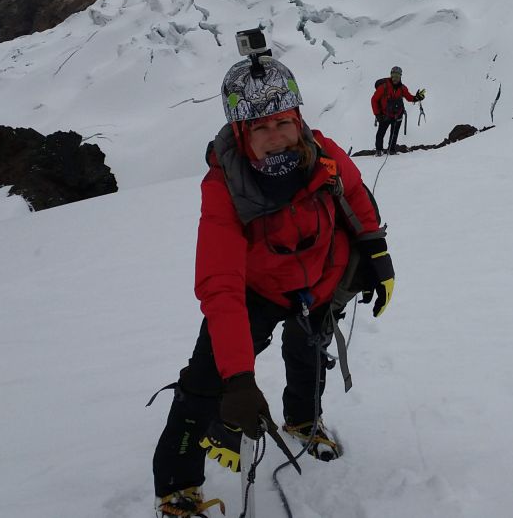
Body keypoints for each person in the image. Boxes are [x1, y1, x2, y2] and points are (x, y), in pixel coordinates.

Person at [151, 55, 395, 517]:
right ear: (241, 132)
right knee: (205, 384)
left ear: (298, 119)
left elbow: (356, 194)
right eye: (260, 127)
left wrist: (377, 256)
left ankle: (303, 419)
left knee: (310, 353)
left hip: (319, 282)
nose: (276, 135)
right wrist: (239, 380)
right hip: (254, 294)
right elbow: (220, 282)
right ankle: (178, 486)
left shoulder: (323, 152)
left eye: (283, 121)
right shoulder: (225, 187)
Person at [370, 65, 425, 155]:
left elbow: (409, 97)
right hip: (384, 115)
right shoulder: (383, 87)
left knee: (394, 134)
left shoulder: (403, 88)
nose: (395, 78)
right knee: (381, 133)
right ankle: (379, 150)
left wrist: (416, 98)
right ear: (391, 75)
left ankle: (391, 150)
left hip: (397, 115)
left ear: (400, 76)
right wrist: (377, 114)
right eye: (394, 75)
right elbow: (374, 100)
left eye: (398, 76)